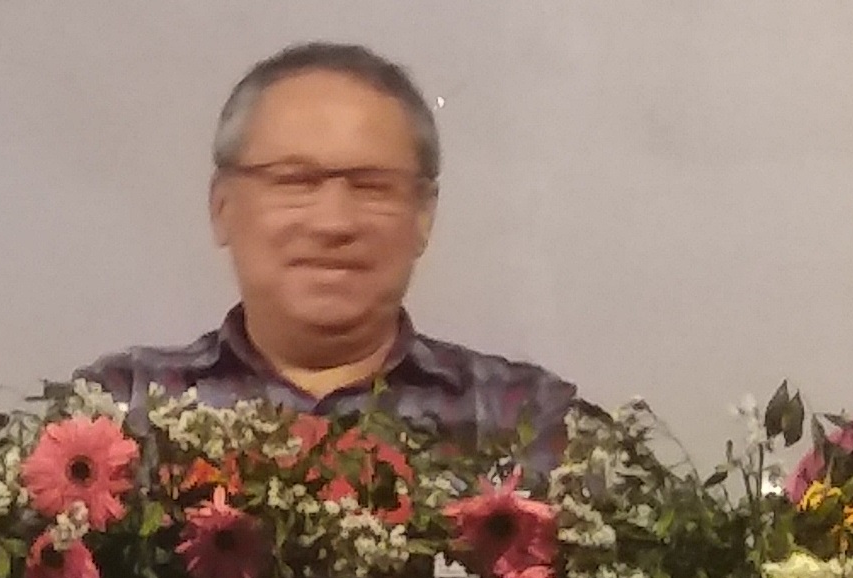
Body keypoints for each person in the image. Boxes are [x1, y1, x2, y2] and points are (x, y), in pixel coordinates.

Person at [77, 42, 580, 461]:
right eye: (294, 181)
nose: (333, 223)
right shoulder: (117, 412)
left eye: (372, 186)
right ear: (222, 206)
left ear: (423, 216)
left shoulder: (529, 421)